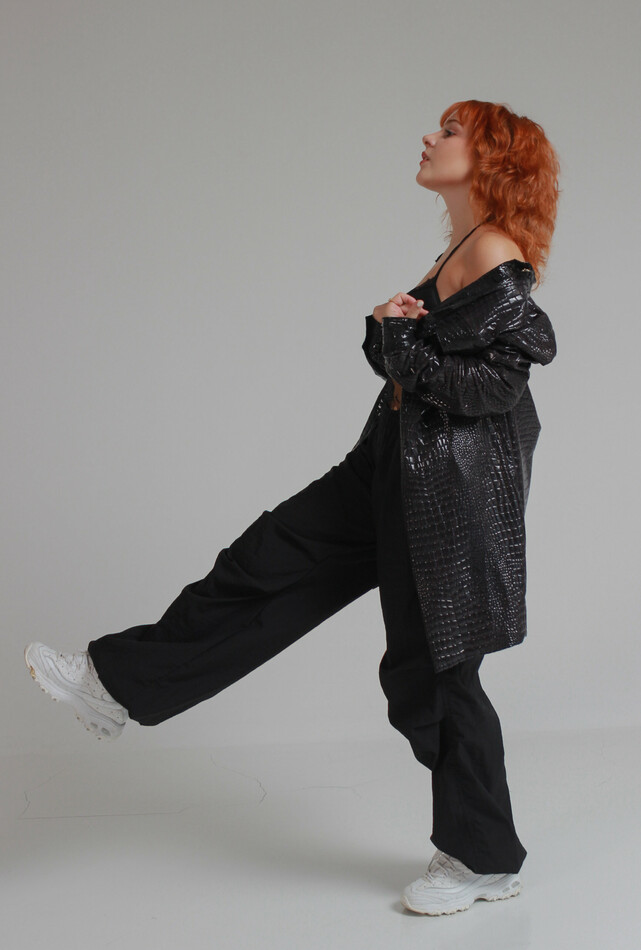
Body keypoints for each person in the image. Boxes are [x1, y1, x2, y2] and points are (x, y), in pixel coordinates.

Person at [24, 98, 560, 917]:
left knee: (432, 678)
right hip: (388, 466)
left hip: (441, 498)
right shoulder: (459, 244)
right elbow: (428, 359)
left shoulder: (494, 251)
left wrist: (397, 342)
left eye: (450, 131)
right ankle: (116, 685)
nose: (428, 136)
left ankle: (484, 857)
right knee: (268, 564)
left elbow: (498, 382)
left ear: (491, 157)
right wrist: (391, 331)